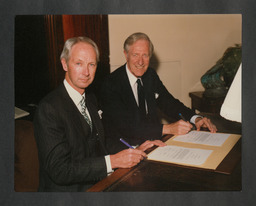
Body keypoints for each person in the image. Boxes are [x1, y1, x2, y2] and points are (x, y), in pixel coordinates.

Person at [33, 36, 165, 192]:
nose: (86, 72)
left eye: (92, 64)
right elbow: (60, 170)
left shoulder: (90, 98)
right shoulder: (49, 108)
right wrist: (112, 162)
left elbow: (102, 142)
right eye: (79, 64)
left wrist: (135, 150)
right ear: (64, 64)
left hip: (98, 185)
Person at [100, 32, 217, 153]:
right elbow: (126, 126)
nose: (140, 62)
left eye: (145, 55)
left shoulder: (150, 76)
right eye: (135, 55)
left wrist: (195, 118)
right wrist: (167, 128)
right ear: (126, 55)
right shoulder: (111, 83)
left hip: (153, 144)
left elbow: (169, 103)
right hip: (126, 148)